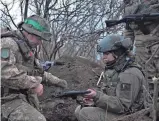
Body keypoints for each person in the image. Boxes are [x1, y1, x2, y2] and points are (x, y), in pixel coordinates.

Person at [1, 15, 67, 121]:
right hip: (5, 99)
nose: (40, 42)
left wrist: (58, 82)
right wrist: (34, 84)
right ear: (30, 33)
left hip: (20, 96)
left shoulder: (27, 48)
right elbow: (4, 73)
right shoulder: (7, 44)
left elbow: (38, 72)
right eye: (39, 38)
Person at [75, 35, 148, 121]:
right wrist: (94, 100)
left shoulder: (129, 73)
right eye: (103, 54)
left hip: (132, 116)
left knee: (85, 113)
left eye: (106, 53)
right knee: (79, 110)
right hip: (120, 112)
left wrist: (97, 96)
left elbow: (123, 106)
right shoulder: (116, 70)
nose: (103, 57)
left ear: (117, 53)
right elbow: (110, 95)